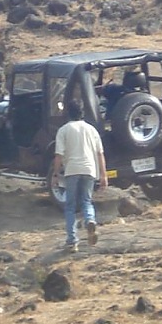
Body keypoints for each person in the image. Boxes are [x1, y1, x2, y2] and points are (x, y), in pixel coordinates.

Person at [52, 99, 107, 253]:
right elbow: (100, 154)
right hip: (90, 169)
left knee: (70, 206)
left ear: (68, 113)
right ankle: (90, 220)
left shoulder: (63, 130)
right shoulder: (91, 130)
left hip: (72, 170)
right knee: (86, 201)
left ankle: (72, 241)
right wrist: (103, 175)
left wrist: (56, 174)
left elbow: (58, 155)